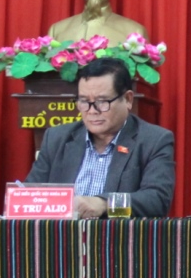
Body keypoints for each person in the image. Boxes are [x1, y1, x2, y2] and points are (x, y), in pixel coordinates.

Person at [25, 57, 175, 217]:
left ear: (128, 99)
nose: (92, 111)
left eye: (102, 102)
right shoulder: (56, 138)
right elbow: (29, 196)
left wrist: (105, 203)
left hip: (117, 232)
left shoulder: (154, 140)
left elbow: (157, 200)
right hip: (62, 232)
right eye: (84, 101)